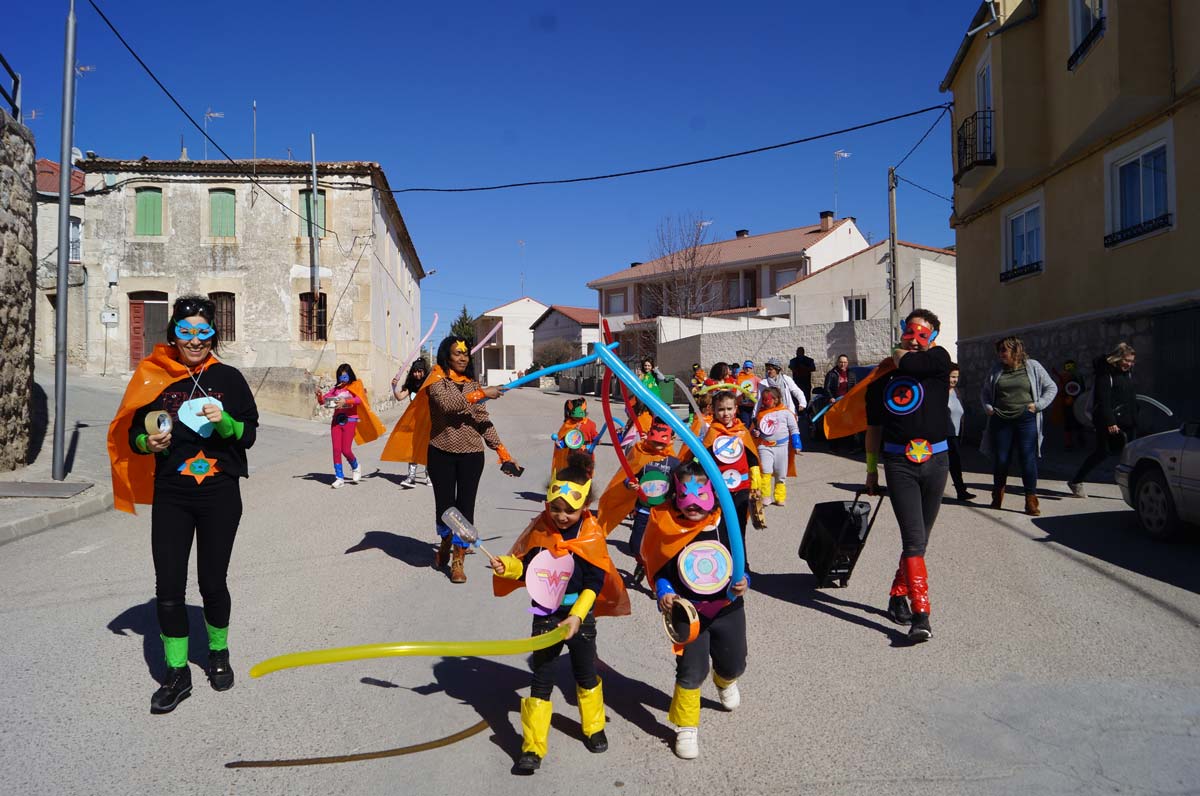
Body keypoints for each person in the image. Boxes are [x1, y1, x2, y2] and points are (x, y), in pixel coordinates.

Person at [107, 295, 259, 713]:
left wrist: (225, 422)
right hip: (171, 494)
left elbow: (249, 434)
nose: (194, 340)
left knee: (212, 583)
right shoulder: (153, 375)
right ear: (173, 333)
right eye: (185, 331)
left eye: (203, 332)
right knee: (169, 589)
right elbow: (134, 433)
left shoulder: (229, 378)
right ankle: (177, 673)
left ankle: (218, 652)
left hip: (220, 494)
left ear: (214, 334)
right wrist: (146, 441)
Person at [491, 465, 631, 774]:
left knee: (584, 671)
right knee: (541, 677)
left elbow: (595, 582)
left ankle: (593, 726)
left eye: (570, 510)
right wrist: (509, 567)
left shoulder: (591, 536)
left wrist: (578, 617)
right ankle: (532, 746)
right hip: (545, 613)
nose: (561, 516)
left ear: (584, 506)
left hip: (578, 616)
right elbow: (527, 566)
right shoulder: (541, 529)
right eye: (555, 508)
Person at [381, 336, 523, 584]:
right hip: (441, 453)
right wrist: (482, 393)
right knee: (445, 508)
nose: (462, 357)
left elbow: (482, 421)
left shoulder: (472, 384)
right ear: (447, 355)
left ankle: (458, 560)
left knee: (465, 509)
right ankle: (446, 540)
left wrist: (503, 454)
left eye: (465, 354)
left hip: (471, 456)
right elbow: (447, 405)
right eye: (457, 353)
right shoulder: (436, 380)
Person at [643, 460, 749, 760]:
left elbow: (741, 561)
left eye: (700, 495)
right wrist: (664, 591)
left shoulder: (724, 523)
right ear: (675, 495)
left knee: (735, 662)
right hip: (688, 614)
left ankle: (725, 679)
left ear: (714, 495)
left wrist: (744, 580)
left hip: (728, 607)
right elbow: (660, 568)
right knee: (691, 671)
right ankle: (686, 727)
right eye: (685, 496)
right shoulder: (667, 525)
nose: (693, 505)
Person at [864, 309, 951, 643]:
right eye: (909, 333)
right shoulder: (882, 379)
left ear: (933, 338)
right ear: (901, 332)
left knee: (921, 541)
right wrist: (871, 471)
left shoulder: (939, 362)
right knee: (913, 540)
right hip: (899, 465)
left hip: (937, 462)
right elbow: (874, 428)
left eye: (923, 334)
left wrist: (901, 355)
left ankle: (898, 592)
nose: (915, 339)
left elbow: (913, 363)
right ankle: (922, 614)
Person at [596, 417, 681, 582]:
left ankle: (658, 580)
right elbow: (628, 476)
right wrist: (630, 485)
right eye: (655, 442)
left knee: (660, 548)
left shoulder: (674, 462)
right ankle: (642, 562)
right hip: (642, 510)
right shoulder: (640, 453)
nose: (657, 447)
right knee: (635, 545)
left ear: (671, 440)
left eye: (662, 443)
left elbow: (680, 484)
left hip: (662, 512)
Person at [980, 336, 1058, 516]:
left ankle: (1031, 500)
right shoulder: (996, 369)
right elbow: (985, 392)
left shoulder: (1033, 366)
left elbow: (1051, 387)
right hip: (1000, 419)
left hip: (1025, 419)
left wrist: (1038, 405)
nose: (1000, 354)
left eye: (1003, 350)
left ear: (1016, 351)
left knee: (1027, 459)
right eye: (999, 351)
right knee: (1001, 459)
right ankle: (997, 496)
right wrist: (988, 407)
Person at [685, 391, 760, 556]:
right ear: (713, 410)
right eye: (721, 409)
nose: (725, 413)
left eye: (729, 409)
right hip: (718, 490)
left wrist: (756, 482)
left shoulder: (742, 431)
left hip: (742, 487)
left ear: (735, 409)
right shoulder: (712, 433)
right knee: (719, 526)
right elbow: (701, 460)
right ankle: (721, 563)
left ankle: (742, 565)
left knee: (739, 527)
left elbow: (752, 458)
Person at [1068, 343, 1137, 498]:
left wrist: (1135, 416)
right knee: (1103, 452)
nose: (1130, 364)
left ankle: (1133, 488)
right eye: (1127, 360)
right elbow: (1103, 400)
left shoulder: (1127, 373)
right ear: (1118, 358)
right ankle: (1076, 481)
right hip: (1108, 421)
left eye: (1132, 361)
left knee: (1130, 454)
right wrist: (1110, 422)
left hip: (1127, 421)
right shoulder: (1105, 374)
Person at [314, 363, 385, 489]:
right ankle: (339, 477)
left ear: (349, 375)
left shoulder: (356, 385)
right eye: (340, 377)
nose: (343, 379)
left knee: (345, 450)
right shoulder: (336, 389)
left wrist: (346, 401)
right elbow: (323, 401)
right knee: (336, 450)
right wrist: (319, 396)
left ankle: (355, 466)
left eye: (345, 377)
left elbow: (359, 400)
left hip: (350, 420)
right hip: (336, 420)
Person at [752, 386, 801, 507]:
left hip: (782, 447)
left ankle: (779, 497)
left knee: (780, 473)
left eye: (767, 399)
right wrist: (756, 433)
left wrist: (796, 444)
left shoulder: (786, 412)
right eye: (763, 399)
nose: (765, 402)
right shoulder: (761, 414)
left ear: (776, 399)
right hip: (764, 446)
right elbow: (758, 430)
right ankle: (765, 496)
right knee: (765, 471)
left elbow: (794, 429)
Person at [392, 358, 431, 487]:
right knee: (413, 449)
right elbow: (399, 397)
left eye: (420, 371)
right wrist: (394, 387)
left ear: (424, 372)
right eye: (415, 372)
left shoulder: (430, 384)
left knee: (428, 449)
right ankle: (411, 477)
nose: (417, 374)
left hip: (429, 421)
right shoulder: (411, 385)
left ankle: (429, 476)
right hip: (414, 421)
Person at [550, 398, 599, 479]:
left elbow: (594, 435)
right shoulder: (568, 424)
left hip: (586, 453)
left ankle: (585, 488)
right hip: (572, 454)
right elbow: (565, 439)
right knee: (572, 473)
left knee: (586, 473)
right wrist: (560, 444)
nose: (577, 419)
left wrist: (597, 439)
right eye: (575, 416)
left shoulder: (590, 424)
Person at [947, 364, 974, 501]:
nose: (954, 380)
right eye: (952, 376)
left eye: (956, 377)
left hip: (956, 435)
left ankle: (961, 491)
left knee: (956, 465)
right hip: (944, 435)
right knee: (948, 465)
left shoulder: (957, 392)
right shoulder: (939, 393)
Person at [824, 355, 857, 453]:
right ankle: (834, 447)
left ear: (848, 363)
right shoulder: (832, 374)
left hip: (847, 404)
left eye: (845, 362)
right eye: (841, 362)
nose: (843, 364)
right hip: (835, 403)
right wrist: (831, 397)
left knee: (850, 425)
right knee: (835, 425)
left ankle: (852, 447)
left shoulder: (851, 374)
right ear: (837, 363)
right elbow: (827, 388)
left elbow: (855, 387)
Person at [1051, 360, 1087, 451]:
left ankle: (1076, 439)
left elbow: (1080, 387)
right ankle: (1070, 441)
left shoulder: (1075, 375)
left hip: (1075, 401)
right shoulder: (1068, 375)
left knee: (1076, 422)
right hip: (1068, 402)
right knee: (1070, 422)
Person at [736, 360, 760, 428]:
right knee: (745, 423)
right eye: (746, 367)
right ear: (743, 368)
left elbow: (762, 387)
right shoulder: (739, 378)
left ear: (752, 368)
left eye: (750, 368)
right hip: (743, 406)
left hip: (753, 406)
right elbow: (735, 390)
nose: (748, 369)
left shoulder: (756, 379)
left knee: (752, 423)